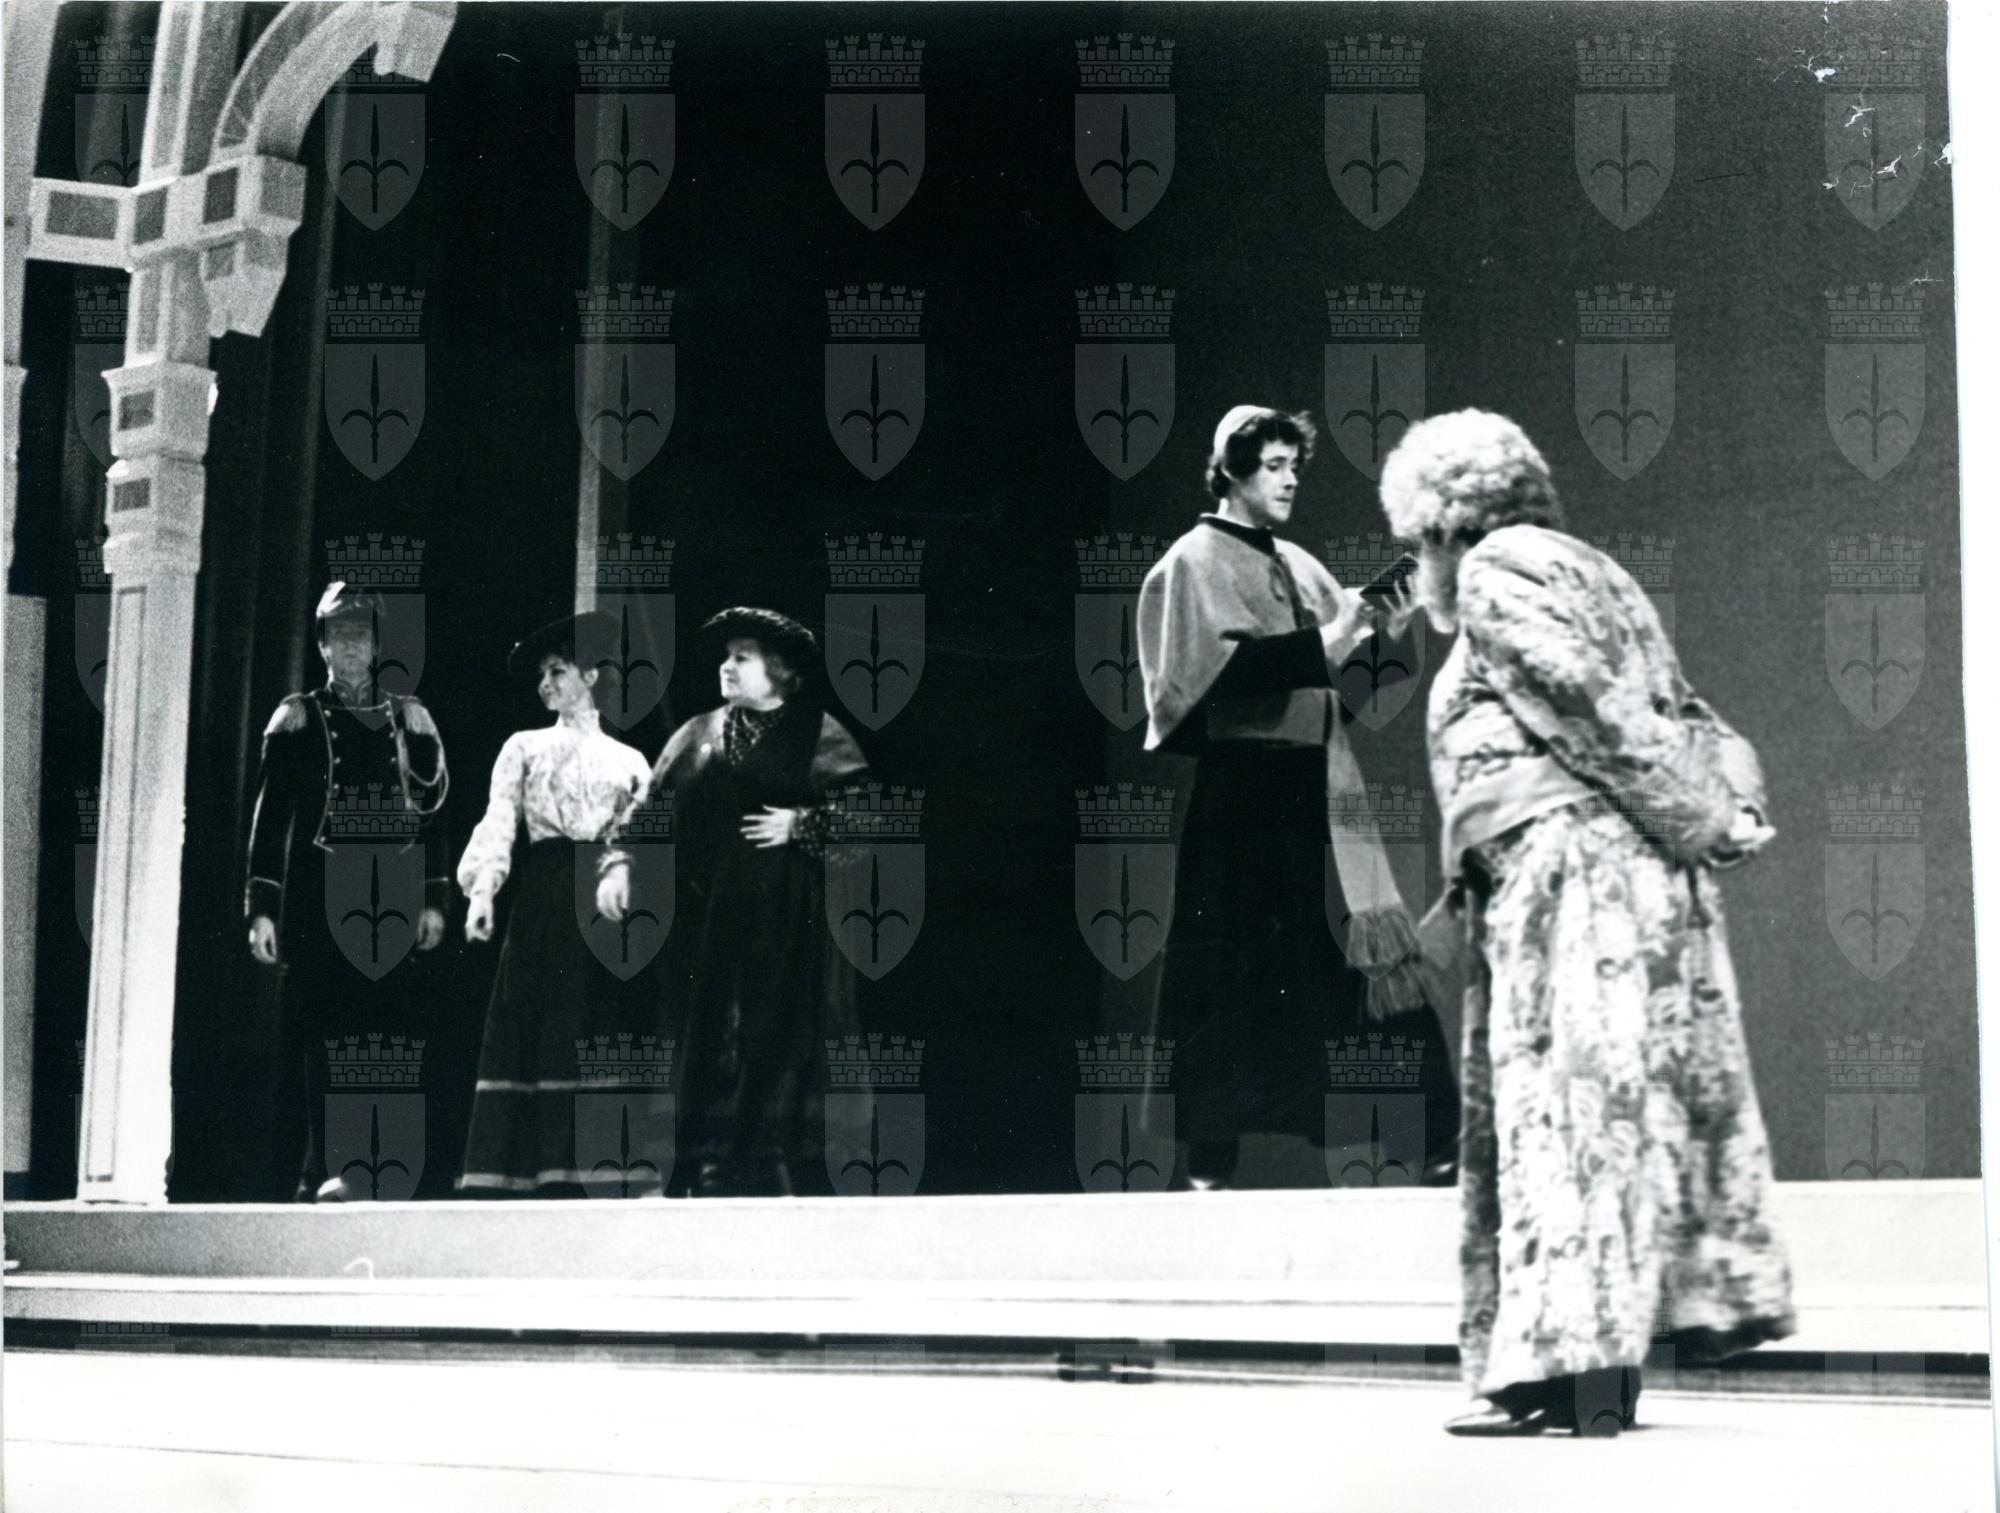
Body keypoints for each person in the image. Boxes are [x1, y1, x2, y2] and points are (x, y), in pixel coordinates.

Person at [1376, 409, 1793, 1437]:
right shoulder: (1595, 574)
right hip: (1606, 874)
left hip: (1574, 880)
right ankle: (1584, 1376)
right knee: (1600, 1115)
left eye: (1415, 540)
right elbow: (1689, 714)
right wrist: (1723, 809)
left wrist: (1704, 818)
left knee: (1565, 1116)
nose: (1418, 565)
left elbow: (1590, 708)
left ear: (1442, 522)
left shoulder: (1496, 569)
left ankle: (1562, 1374)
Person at [1135, 405, 1460, 1191]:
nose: (1288, 481)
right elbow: (1209, 684)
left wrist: (1385, 634)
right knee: (1228, 974)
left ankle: (1433, 1139)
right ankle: (1210, 1156)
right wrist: (1329, 638)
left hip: (1318, 791)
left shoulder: (1304, 565)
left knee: (1362, 966)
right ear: (1232, 470)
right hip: (1243, 796)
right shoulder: (1191, 562)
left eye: (1294, 467)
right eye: (1273, 465)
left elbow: (1340, 698)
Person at [597, 608, 867, 1198]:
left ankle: (765, 1160)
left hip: (787, 917)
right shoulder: (697, 733)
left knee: (776, 1031)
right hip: (708, 915)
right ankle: (705, 1160)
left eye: (742, 657)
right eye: (726, 656)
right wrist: (619, 863)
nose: (727, 666)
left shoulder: (819, 732)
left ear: (780, 670)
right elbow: (648, 810)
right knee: (709, 1031)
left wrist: (803, 824)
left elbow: (864, 821)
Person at [245, 581, 450, 1201]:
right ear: (322, 645)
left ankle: (377, 1168)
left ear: (377, 645)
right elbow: (270, 818)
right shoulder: (298, 717)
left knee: (385, 1030)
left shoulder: (409, 718)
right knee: (323, 1033)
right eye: (339, 636)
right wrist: (262, 908)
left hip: (391, 891)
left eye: (361, 635)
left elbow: (432, 816)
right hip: (319, 892)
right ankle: (325, 1168)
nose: (352, 647)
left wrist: (435, 899)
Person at [455, 610, 654, 1196]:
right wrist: (483, 889)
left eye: (557, 671)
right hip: (545, 893)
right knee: (540, 1020)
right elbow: (499, 818)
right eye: (541, 675)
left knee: (598, 1019)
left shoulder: (630, 760)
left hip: (605, 897)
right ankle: (528, 1172)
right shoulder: (525, 745)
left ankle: (601, 1168)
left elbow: (645, 836)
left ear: (590, 676)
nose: (545, 684)